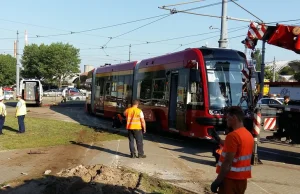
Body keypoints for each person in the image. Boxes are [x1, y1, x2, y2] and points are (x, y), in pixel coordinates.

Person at [211, 106, 254, 194]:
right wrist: (218, 140)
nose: (226, 120)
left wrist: (217, 181)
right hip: (242, 181)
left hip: (230, 180)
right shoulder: (248, 135)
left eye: (228, 118)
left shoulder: (233, 136)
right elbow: (238, 150)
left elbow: (227, 162)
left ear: (234, 117)